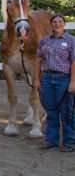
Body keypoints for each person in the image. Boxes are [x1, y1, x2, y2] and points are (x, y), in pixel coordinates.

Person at [34, 14, 75, 152]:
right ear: (51, 24)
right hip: (47, 78)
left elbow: (74, 62)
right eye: (54, 22)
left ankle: (70, 142)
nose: (57, 24)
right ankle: (52, 140)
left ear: (64, 24)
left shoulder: (71, 41)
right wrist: (37, 79)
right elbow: (38, 60)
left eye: (60, 21)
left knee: (67, 112)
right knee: (50, 111)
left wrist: (73, 82)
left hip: (64, 78)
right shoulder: (44, 41)